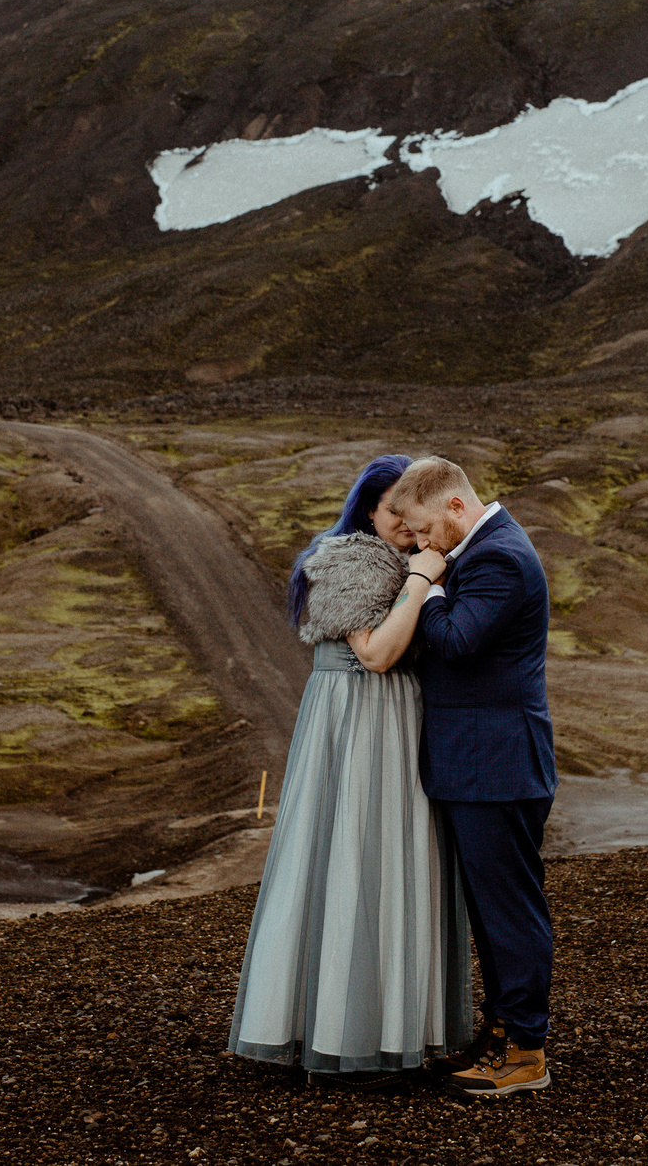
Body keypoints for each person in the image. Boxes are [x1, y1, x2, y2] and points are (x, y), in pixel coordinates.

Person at [227, 455, 475, 1086]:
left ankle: (391, 1027)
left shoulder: (404, 558)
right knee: (349, 860)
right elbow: (378, 654)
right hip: (358, 724)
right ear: (367, 508)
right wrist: (421, 581)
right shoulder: (350, 558)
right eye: (393, 507)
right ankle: (341, 1031)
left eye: (410, 509)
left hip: (397, 725)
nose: (403, 520)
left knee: (393, 864)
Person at [387, 455, 556, 1098]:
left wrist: (425, 584)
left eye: (428, 530)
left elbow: (456, 640)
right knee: (491, 911)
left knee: (510, 911)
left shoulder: (499, 558)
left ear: (456, 506)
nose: (424, 544)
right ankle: (505, 1034)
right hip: (482, 763)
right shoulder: (481, 549)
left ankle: (525, 1053)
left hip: (498, 763)